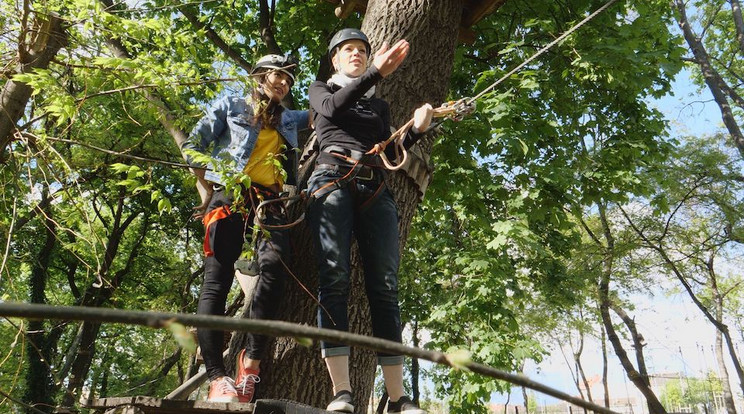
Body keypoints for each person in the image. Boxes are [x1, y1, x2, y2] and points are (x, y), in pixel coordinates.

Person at [307, 28, 433, 414]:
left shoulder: (378, 108)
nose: (357, 55)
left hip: (375, 184)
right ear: (335, 60)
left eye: (362, 51)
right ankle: (342, 391)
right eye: (348, 50)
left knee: (385, 288)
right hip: (331, 179)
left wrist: (415, 129)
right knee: (335, 278)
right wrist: (375, 73)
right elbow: (331, 111)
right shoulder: (320, 91)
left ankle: (397, 399)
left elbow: (391, 148)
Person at [182, 54, 309, 403]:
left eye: (288, 79)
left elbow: (329, 110)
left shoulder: (289, 119)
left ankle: (250, 362)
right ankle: (216, 377)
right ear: (258, 77)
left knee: (275, 269)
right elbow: (192, 145)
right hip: (231, 194)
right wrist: (207, 183)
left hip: (269, 203)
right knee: (217, 280)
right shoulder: (231, 104)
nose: (283, 82)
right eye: (276, 75)